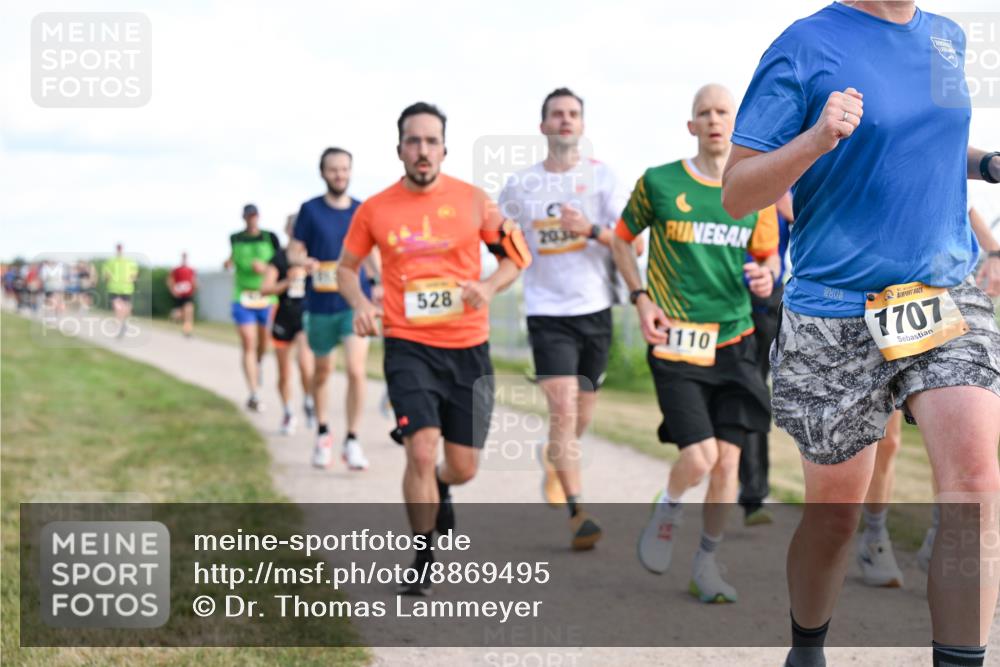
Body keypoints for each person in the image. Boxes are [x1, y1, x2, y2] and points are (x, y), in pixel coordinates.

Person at [723, 3, 1000, 665]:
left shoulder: (946, 37)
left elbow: (918, 142)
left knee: (975, 481)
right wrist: (817, 139)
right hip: (835, 309)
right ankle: (808, 646)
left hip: (944, 293)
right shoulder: (803, 46)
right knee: (835, 516)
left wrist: (987, 163)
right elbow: (736, 192)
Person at [336, 102, 530, 595]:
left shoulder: (473, 201)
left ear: (444, 147)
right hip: (408, 346)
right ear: (399, 147)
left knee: (461, 467)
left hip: (468, 348)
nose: (422, 150)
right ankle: (423, 554)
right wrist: (360, 301)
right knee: (420, 450)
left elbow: (516, 256)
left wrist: (487, 288)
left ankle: (444, 485)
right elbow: (346, 268)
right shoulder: (375, 209)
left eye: (431, 141)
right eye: (412, 141)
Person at [612, 84, 780, 604]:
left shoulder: (758, 191)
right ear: (691, 126)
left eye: (722, 112)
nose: (713, 120)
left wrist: (767, 278)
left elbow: (769, 259)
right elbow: (621, 238)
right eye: (703, 113)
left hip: (734, 341)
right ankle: (668, 505)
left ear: (736, 123)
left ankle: (706, 563)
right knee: (702, 457)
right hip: (676, 342)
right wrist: (640, 298)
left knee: (729, 463)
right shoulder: (659, 183)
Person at [498, 87, 642, 550]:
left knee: (581, 413)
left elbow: (632, 244)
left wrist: (592, 230)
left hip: (595, 309)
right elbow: (497, 238)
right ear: (543, 126)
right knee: (561, 409)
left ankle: (556, 458)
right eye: (556, 114)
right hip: (546, 311)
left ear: (582, 126)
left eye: (573, 114)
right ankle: (579, 510)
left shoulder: (603, 180)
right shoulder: (520, 186)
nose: (565, 120)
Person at [288, 148, 378, 470]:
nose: (340, 175)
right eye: (333, 170)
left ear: (351, 171)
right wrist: (304, 261)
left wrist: (378, 284)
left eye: (344, 169)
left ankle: (352, 439)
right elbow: (294, 250)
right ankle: (323, 432)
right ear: (323, 173)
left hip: (354, 303)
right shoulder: (310, 211)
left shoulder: (362, 210)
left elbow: (370, 253)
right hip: (321, 303)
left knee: (356, 370)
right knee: (323, 371)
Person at [739, 190, 793, 527]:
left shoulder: (785, 187)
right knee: (738, 391)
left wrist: (789, 204)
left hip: (766, 303)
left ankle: (753, 494)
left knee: (753, 393)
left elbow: (809, 222)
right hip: (720, 297)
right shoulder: (724, 183)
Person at [262, 215, 315, 436]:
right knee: (284, 373)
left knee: (305, 363)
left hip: (306, 315)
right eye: (292, 228)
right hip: (284, 317)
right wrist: (287, 281)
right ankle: (288, 412)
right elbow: (266, 289)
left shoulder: (313, 256)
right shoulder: (279, 258)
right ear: (287, 230)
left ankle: (309, 400)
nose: (296, 231)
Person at [225, 204, 280, 412]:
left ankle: (257, 363)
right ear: (243, 218)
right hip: (243, 295)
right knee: (248, 341)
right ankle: (254, 393)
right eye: (248, 216)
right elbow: (232, 258)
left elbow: (279, 264)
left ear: (258, 217)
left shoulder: (269, 237)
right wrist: (228, 262)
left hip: (266, 296)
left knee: (263, 342)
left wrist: (265, 268)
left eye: (254, 216)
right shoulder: (235, 238)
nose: (251, 219)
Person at [102, 244, 139, 338]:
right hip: (114, 288)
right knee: (118, 308)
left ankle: (124, 322)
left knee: (125, 309)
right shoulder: (110, 262)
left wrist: (131, 279)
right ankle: (121, 327)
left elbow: (134, 275)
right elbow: (106, 275)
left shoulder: (130, 262)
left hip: (126, 289)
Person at [167, 252, 197, 337]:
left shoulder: (191, 270)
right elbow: (170, 281)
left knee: (189, 312)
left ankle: (187, 331)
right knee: (181, 313)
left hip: (188, 294)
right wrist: (173, 291)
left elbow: (193, 281)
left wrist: (194, 288)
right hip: (179, 295)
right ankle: (174, 315)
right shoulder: (176, 270)